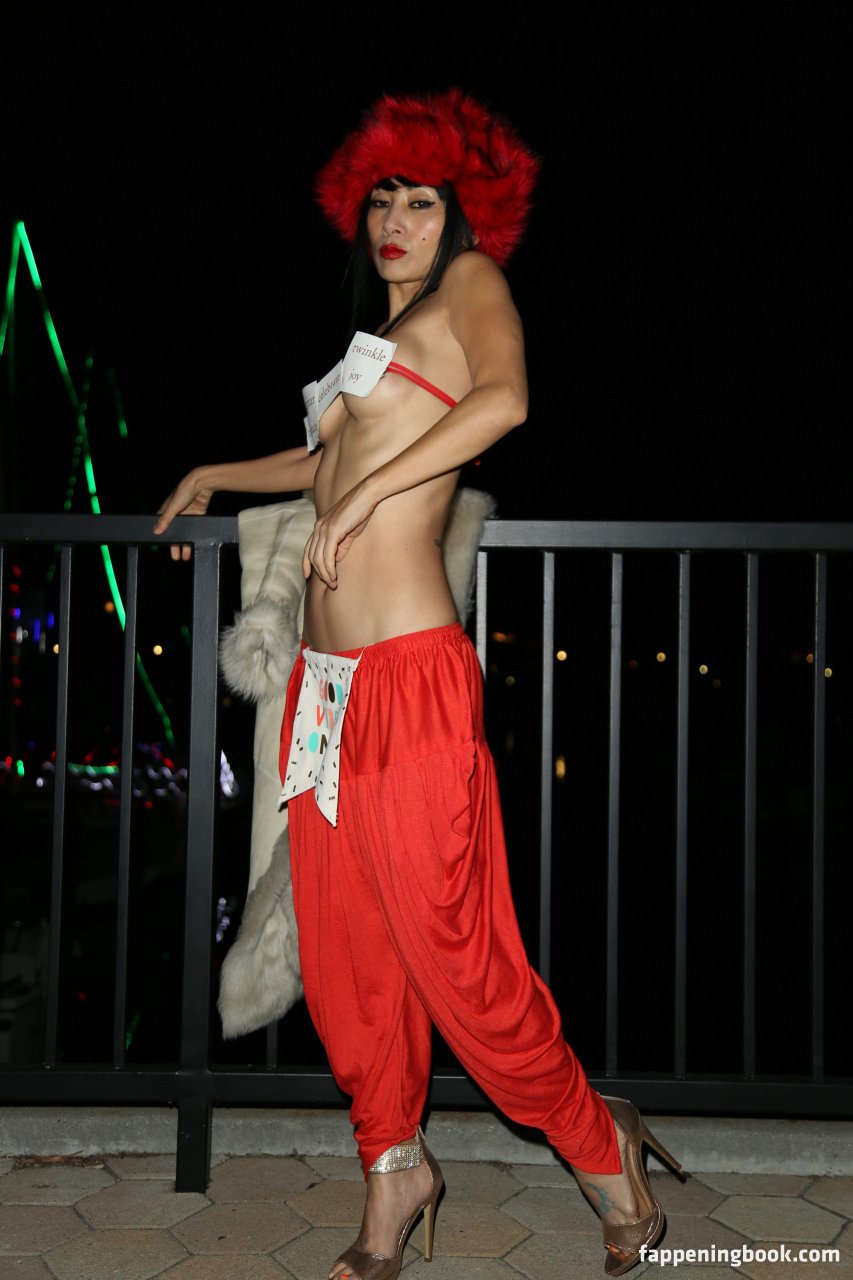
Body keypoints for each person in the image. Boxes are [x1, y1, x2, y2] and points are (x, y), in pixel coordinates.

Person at [155, 89, 683, 1280]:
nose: (396, 221)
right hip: (324, 690)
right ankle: (393, 1167)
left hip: (411, 677)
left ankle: (600, 1143)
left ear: (464, 213)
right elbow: (321, 458)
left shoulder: (470, 291)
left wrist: (359, 497)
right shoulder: (371, 345)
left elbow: (505, 401)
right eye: (381, 201)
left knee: (454, 948)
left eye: (422, 201)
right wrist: (215, 472)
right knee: (345, 948)